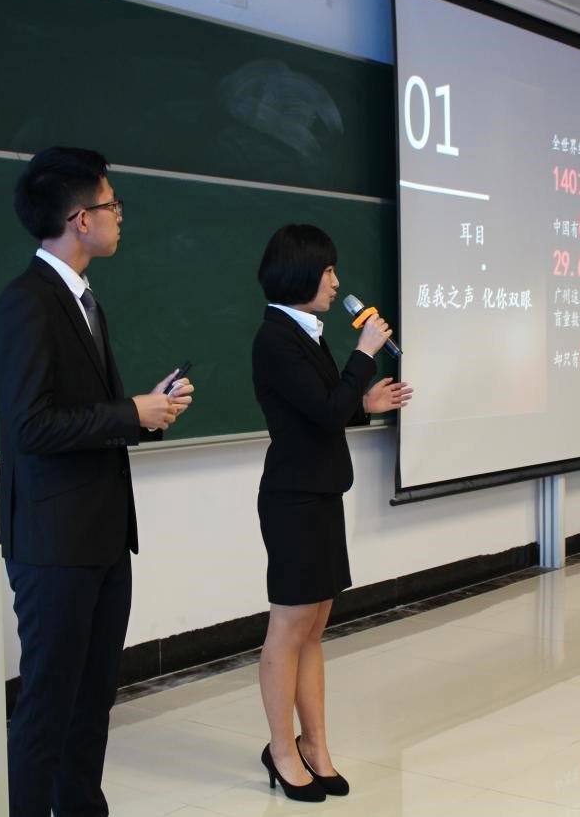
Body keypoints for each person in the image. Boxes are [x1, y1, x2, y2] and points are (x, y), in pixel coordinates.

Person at [0, 146, 195, 817]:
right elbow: (31, 426)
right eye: (112, 204)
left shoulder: (83, 299)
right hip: (53, 541)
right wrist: (128, 412)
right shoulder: (26, 302)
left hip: (102, 535)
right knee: (48, 705)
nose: (119, 216)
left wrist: (146, 412)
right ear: (80, 218)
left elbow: (88, 415)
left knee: (92, 701)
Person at [251, 224, 412, 802]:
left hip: (320, 493)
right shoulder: (275, 338)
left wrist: (363, 402)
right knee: (289, 627)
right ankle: (281, 749)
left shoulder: (306, 333)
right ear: (300, 273)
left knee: (315, 626)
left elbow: (325, 409)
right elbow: (321, 411)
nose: (337, 283)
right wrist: (363, 355)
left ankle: (315, 745)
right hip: (293, 500)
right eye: (328, 271)